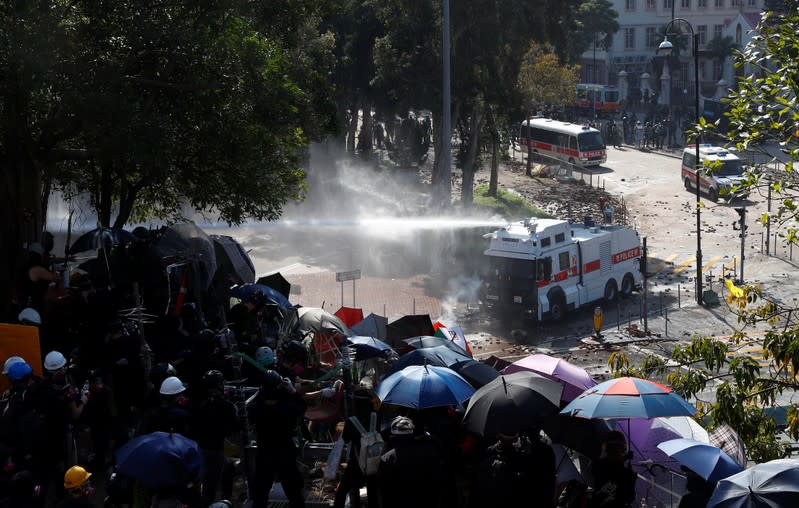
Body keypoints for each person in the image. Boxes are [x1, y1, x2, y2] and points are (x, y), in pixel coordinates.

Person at [247, 370, 307, 508]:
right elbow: (302, 407)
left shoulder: (255, 408)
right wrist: (293, 391)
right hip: (285, 452)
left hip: (264, 453)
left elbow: (252, 404)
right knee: (294, 494)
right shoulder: (288, 407)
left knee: (260, 495)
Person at [192, 370, 239, 506]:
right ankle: (224, 501)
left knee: (207, 483)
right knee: (214, 482)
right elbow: (236, 427)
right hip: (215, 449)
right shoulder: (226, 405)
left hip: (200, 446)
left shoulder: (198, 404)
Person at [378, 416, 446, 508]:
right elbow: (438, 481)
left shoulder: (388, 458)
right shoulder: (427, 453)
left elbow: (385, 491)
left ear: (393, 436)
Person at [589, 431, 636, 508]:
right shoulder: (627, 474)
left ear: (606, 447)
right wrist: (633, 480)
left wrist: (624, 459)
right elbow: (630, 498)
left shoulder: (596, 465)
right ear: (624, 449)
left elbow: (610, 462)